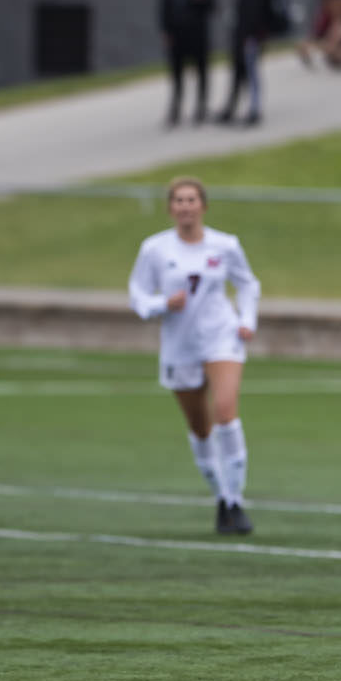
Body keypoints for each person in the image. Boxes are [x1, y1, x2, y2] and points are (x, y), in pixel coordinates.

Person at [127, 176, 261, 535]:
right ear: (170, 208)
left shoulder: (225, 245)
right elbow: (138, 294)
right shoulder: (155, 249)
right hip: (179, 344)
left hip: (221, 336)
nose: (186, 207)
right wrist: (161, 304)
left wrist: (247, 319)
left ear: (203, 205)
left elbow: (248, 283)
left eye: (192, 200)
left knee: (225, 412)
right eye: (179, 201)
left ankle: (236, 500)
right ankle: (220, 497)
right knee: (200, 428)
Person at [216, 0, 284, 128]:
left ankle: (254, 109)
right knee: (240, 73)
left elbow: (254, 16)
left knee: (252, 74)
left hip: (250, 37)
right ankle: (232, 107)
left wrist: (250, 36)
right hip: (244, 36)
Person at [158, 0, 215, 127]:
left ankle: (201, 108)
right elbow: (164, 8)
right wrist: (166, 31)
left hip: (198, 34)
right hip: (178, 35)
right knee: (177, 75)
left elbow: (212, 6)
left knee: (201, 71)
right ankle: (176, 109)